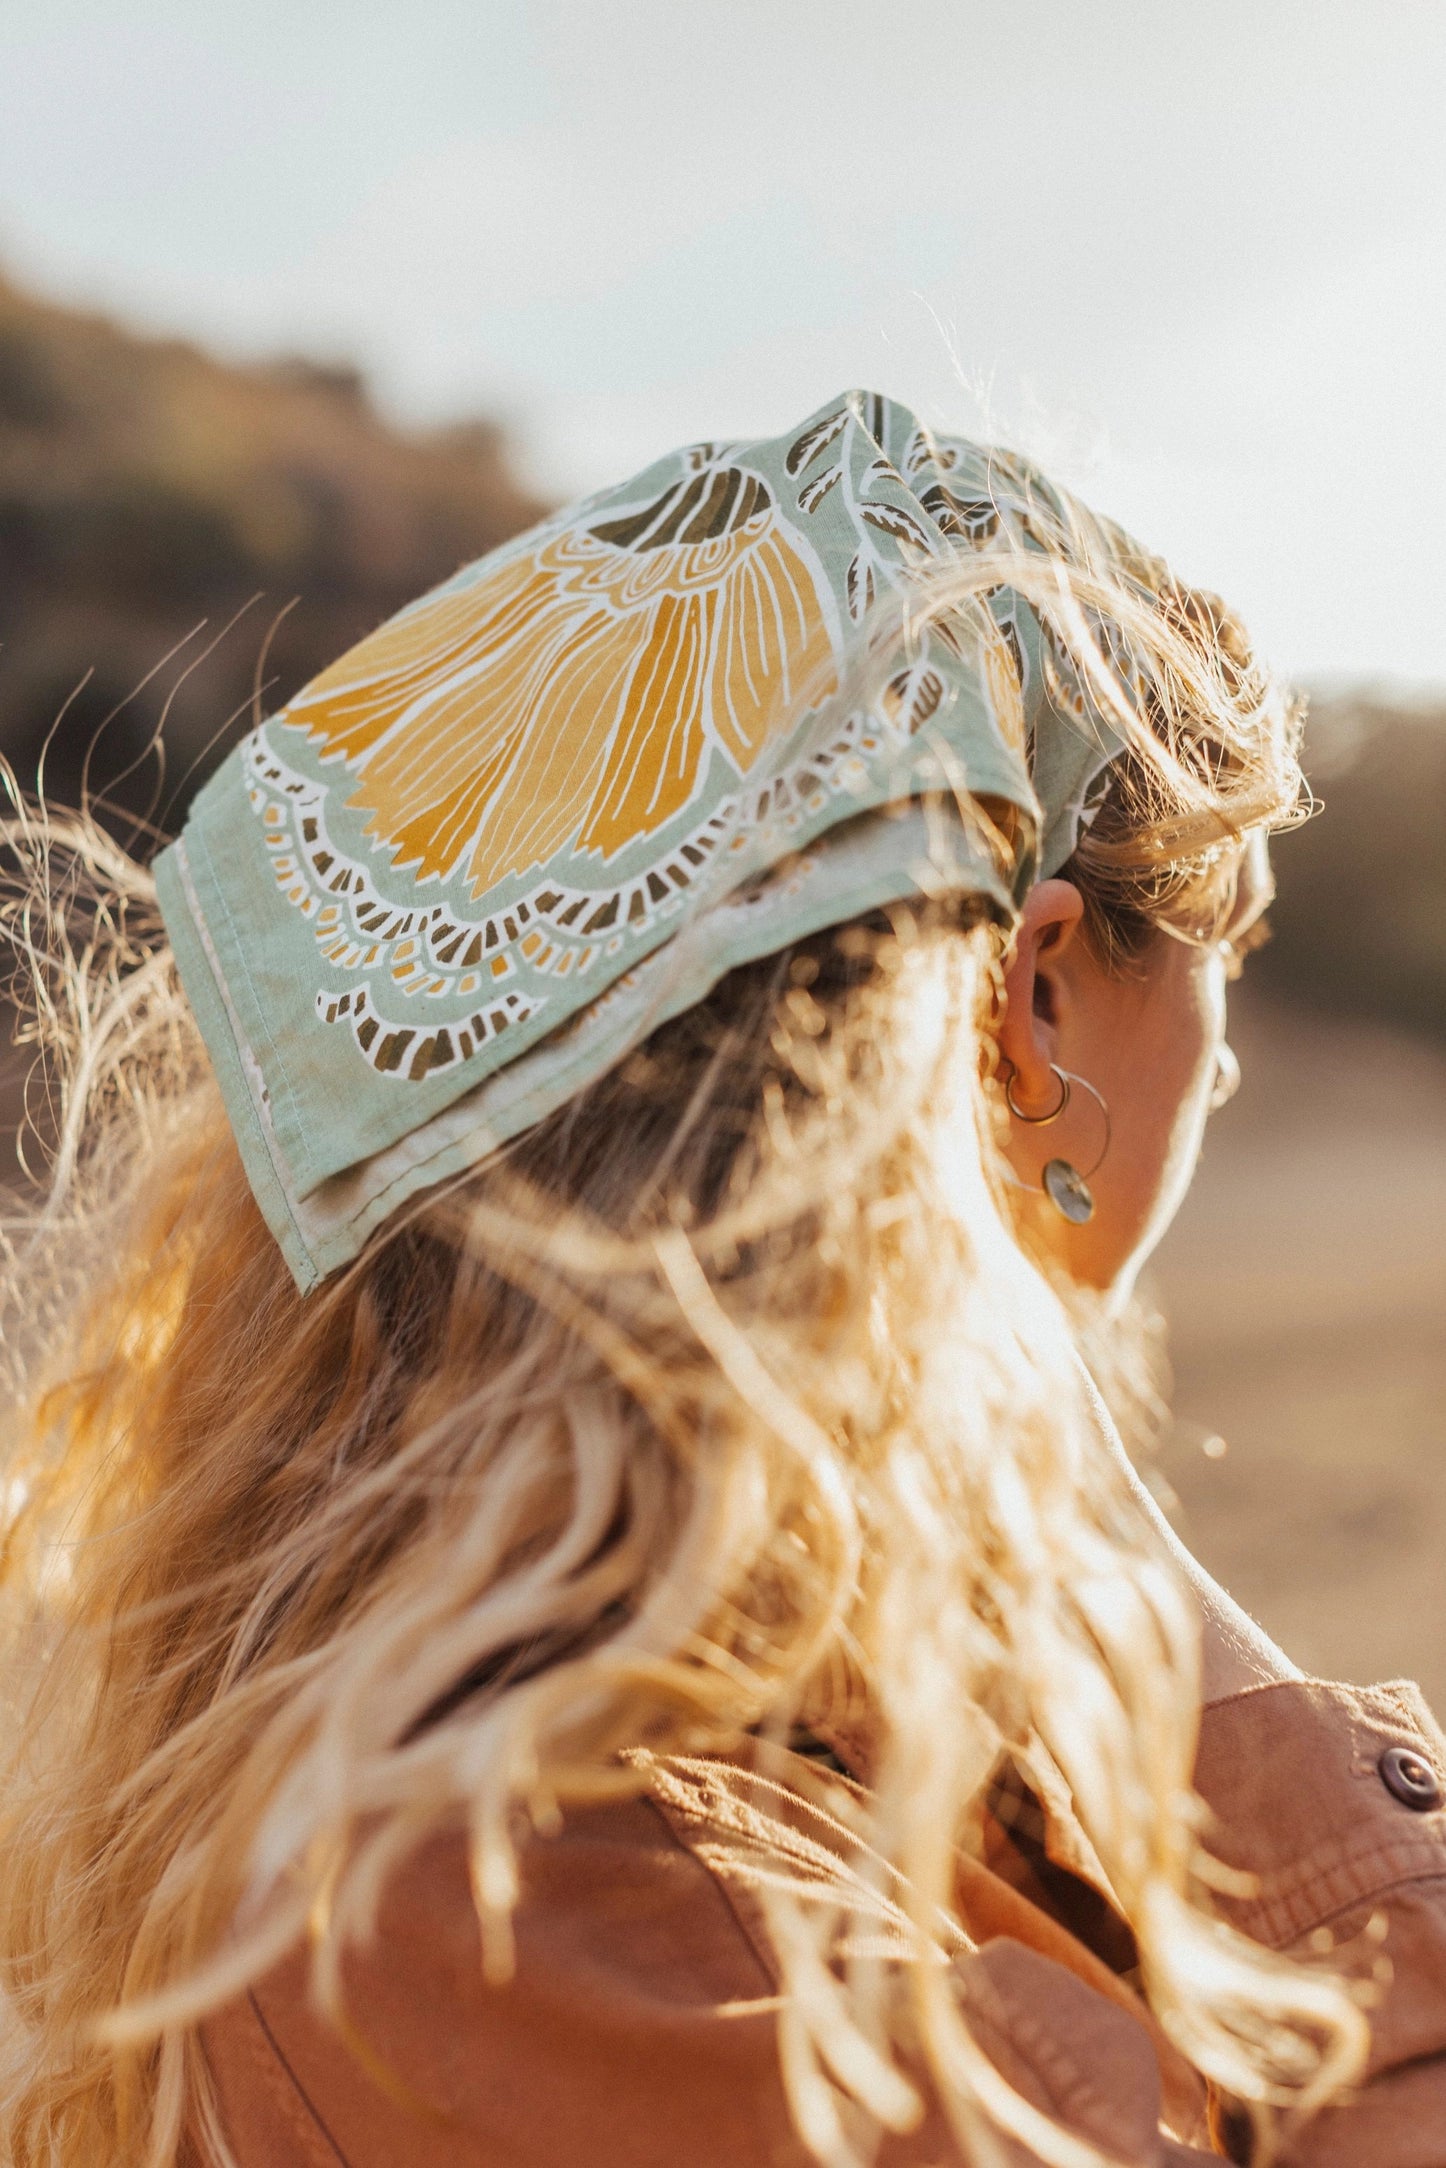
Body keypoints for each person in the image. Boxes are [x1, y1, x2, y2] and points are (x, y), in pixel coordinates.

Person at [0, 391, 1443, 2168]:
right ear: (1036, 996)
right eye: (1225, 949)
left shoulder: (611, 1766)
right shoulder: (529, 1916)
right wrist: (1059, 1473)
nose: (1222, 1070)